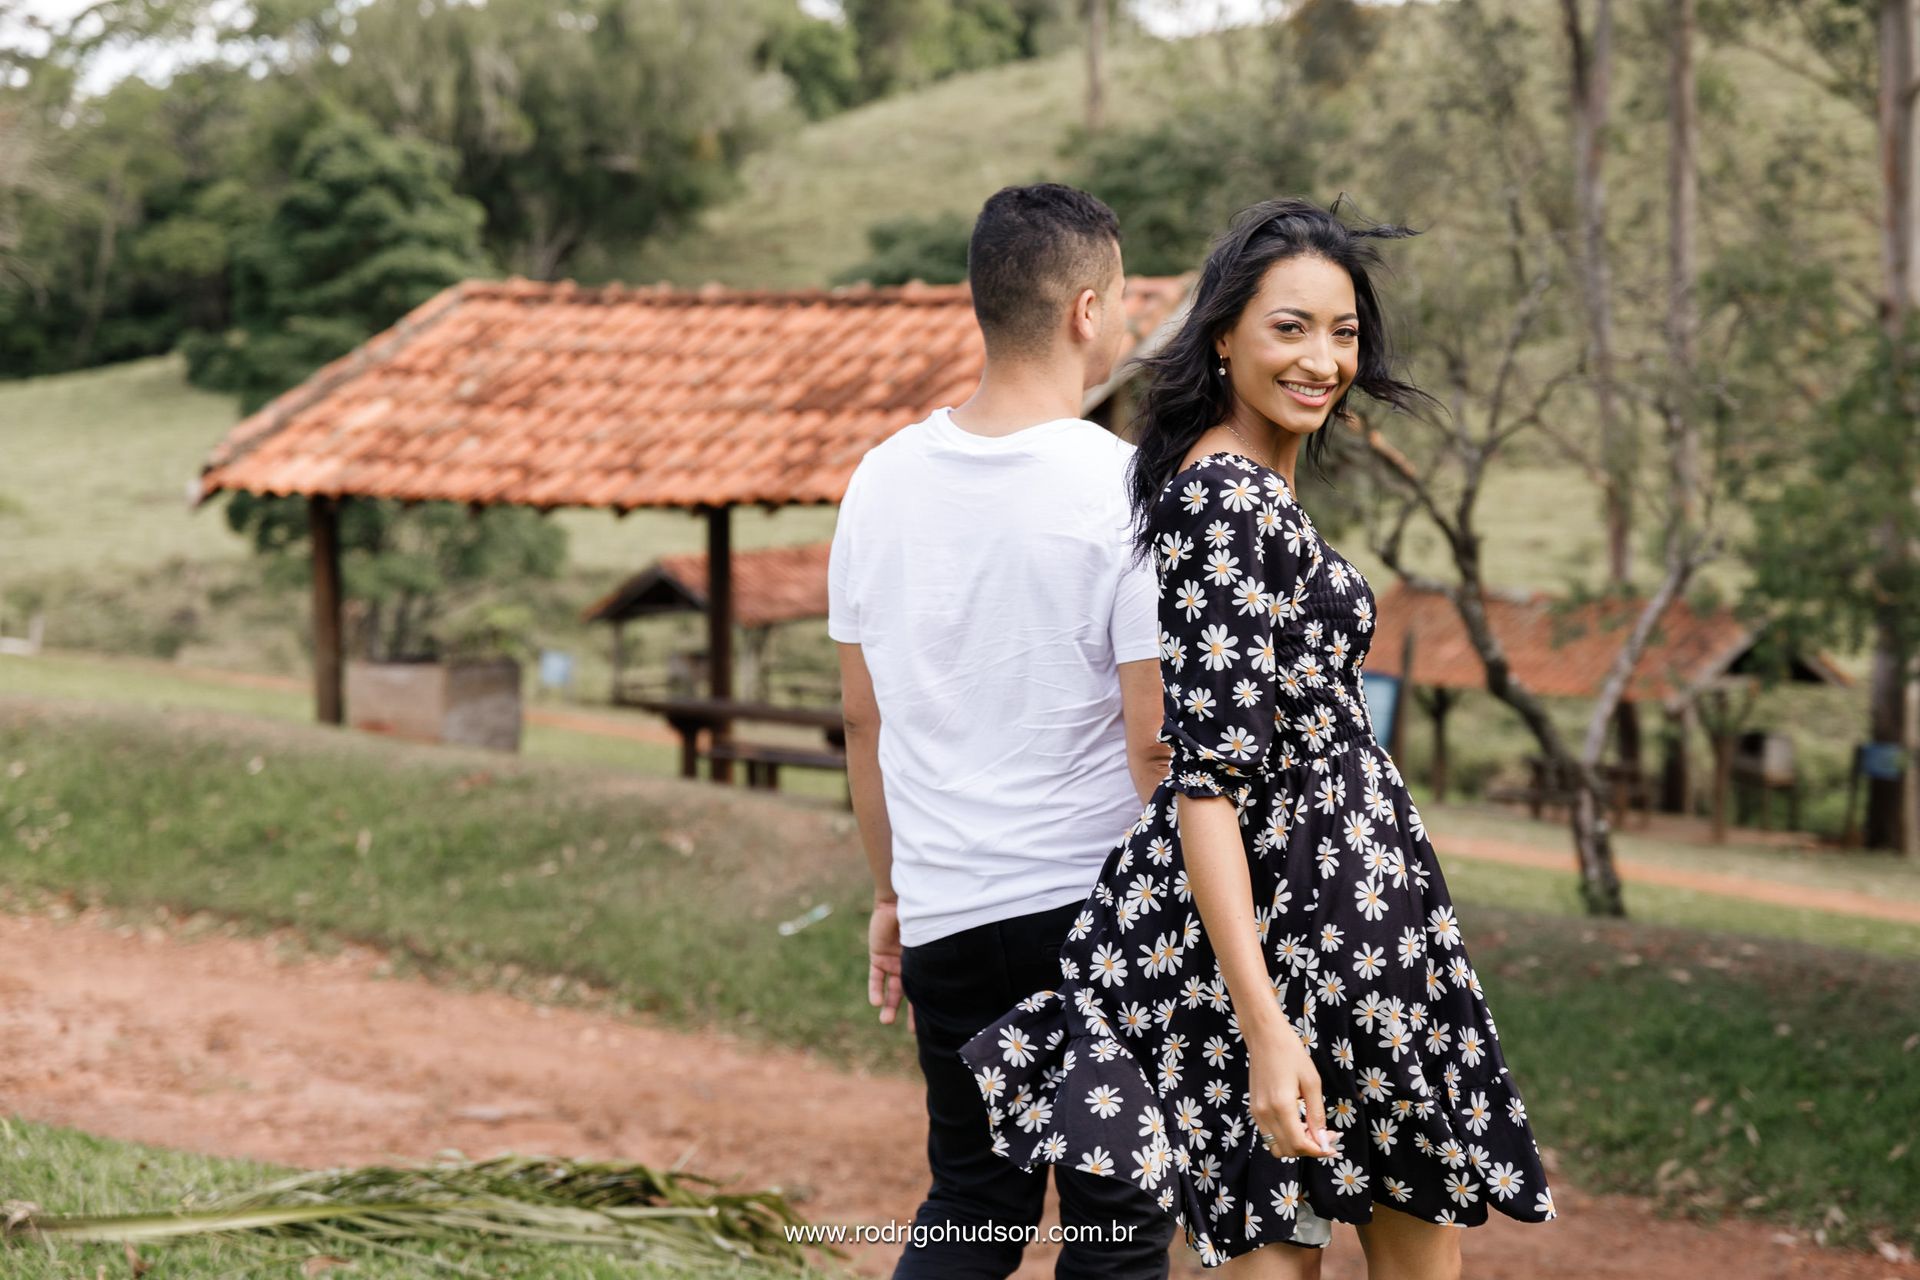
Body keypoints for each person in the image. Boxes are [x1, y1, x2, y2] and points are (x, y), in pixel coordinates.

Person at [956, 197, 1557, 1278]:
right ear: (1222, 332)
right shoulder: (1224, 499)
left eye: (1343, 332)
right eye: (1290, 327)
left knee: (1345, 1232)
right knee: (1330, 1238)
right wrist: (1265, 1022)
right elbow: (1206, 781)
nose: (1323, 359)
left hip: (1347, 921)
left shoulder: (1254, 486)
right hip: (1301, 933)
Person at [828, 183, 1181, 1279]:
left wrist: (892, 893)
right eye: (1118, 299)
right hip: (1093, 920)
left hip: (948, 916)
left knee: (975, 1194)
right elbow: (1153, 742)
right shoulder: (1126, 489)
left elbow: (861, 717)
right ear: (1085, 309)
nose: (1121, 323)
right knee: (1115, 1219)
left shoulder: (877, 484)